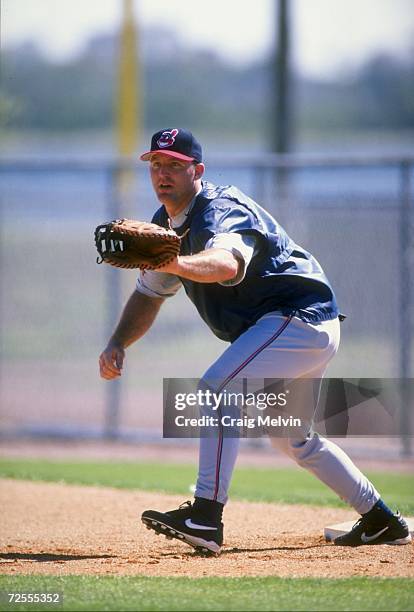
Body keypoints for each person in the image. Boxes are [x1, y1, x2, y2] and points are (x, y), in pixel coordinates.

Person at [99, 128, 411, 555]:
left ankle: (206, 516)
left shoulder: (220, 209)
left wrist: (176, 261)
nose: (163, 173)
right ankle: (381, 520)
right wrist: (119, 341)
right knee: (291, 437)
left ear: (198, 171)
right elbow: (150, 293)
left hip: (297, 316)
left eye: (175, 164)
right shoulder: (164, 228)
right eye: (155, 164)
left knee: (216, 388)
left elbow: (226, 263)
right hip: (295, 327)